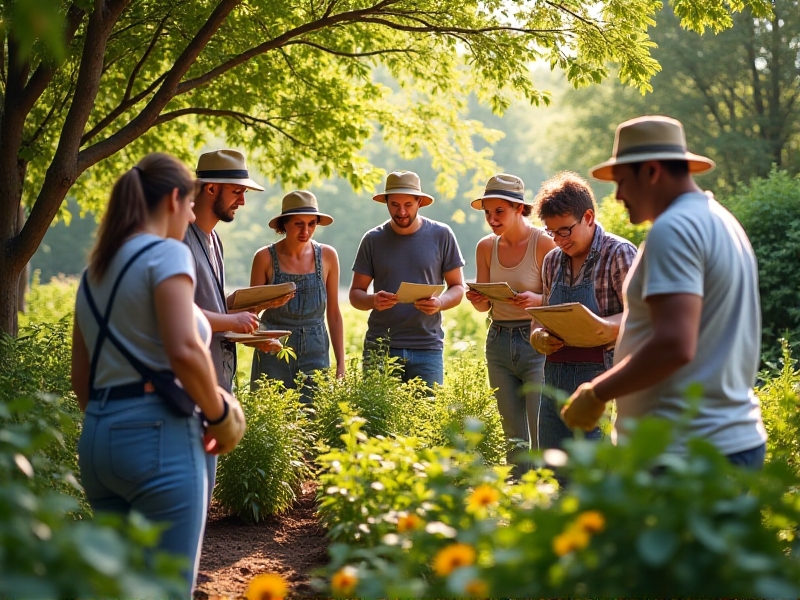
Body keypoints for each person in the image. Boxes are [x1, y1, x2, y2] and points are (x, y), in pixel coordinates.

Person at [70, 153, 246, 595]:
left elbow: (81, 376)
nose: (190, 215)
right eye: (188, 205)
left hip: (98, 442)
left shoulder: (96, 269)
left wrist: (114, 422)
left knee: (117, 590)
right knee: (167, 589)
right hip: (160, 440)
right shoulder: (167, 253)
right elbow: (185, 348)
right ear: (173, 199)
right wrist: (220, 413)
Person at [561, 115, 767, 468]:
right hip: (722, 443)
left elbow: (674, 343)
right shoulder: (720, 221)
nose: (619, 195)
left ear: (652, 171)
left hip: (686, 452)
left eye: (623, 181)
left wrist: (597, 393)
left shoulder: (674, 229)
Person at [185, 149, 288, 497]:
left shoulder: (214, 239)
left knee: (204, 491)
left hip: (218, 382)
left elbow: (210, 309)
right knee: (190, 496)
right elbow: (177, 313)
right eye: (238, 191)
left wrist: (253, 314)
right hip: (188, 385)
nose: (243, 201)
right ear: (211, 188)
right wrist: (232, 318)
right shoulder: (178, 239)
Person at [529, 171, 637, 454]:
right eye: (551, 233)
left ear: (588, 217)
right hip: (554, 379)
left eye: (565, 230)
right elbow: (538, 316)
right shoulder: (552, 261)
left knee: (591, 472)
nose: (559, 240)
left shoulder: (619, 253)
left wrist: (601, 326)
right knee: (553, 470)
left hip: (601, 380)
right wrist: (538, 337)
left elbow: (642, 317)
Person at [466, 174, 556, 467]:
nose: (492, 219)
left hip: (536, 340)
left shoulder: (544, 243)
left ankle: (545, 494)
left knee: (540, 425)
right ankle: (516, 497)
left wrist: (537, 300)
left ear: (519, 209)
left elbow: (562, 300)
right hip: (498, 341)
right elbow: (483, 307)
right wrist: (479, 300)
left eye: (499, 211)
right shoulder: (485, 247)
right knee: (512, 434)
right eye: (487, 213)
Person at [349, 170, 466, 387]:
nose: (401, 212)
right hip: (380, 348)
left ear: (419, 202)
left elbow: (458, 287)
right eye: (394, 205)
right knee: (378, 420)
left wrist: (439, 303)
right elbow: (356, 294)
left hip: (427, 347)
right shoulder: (372, 240)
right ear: (386, 202)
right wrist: (373, 300)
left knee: (426, 418)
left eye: (408, 205)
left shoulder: (442, 235)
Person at [250, 190, 345, 399]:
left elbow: (334, 314)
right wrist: (268, 303)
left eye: (312, 223)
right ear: (284, 224)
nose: (306, 230)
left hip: (316, 348)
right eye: (298, 223)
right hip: (273, 346)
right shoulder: (265, 257)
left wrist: (341, 363)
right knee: (271, 417)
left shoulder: (328, 256)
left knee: (313, 420)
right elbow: (250, 312)